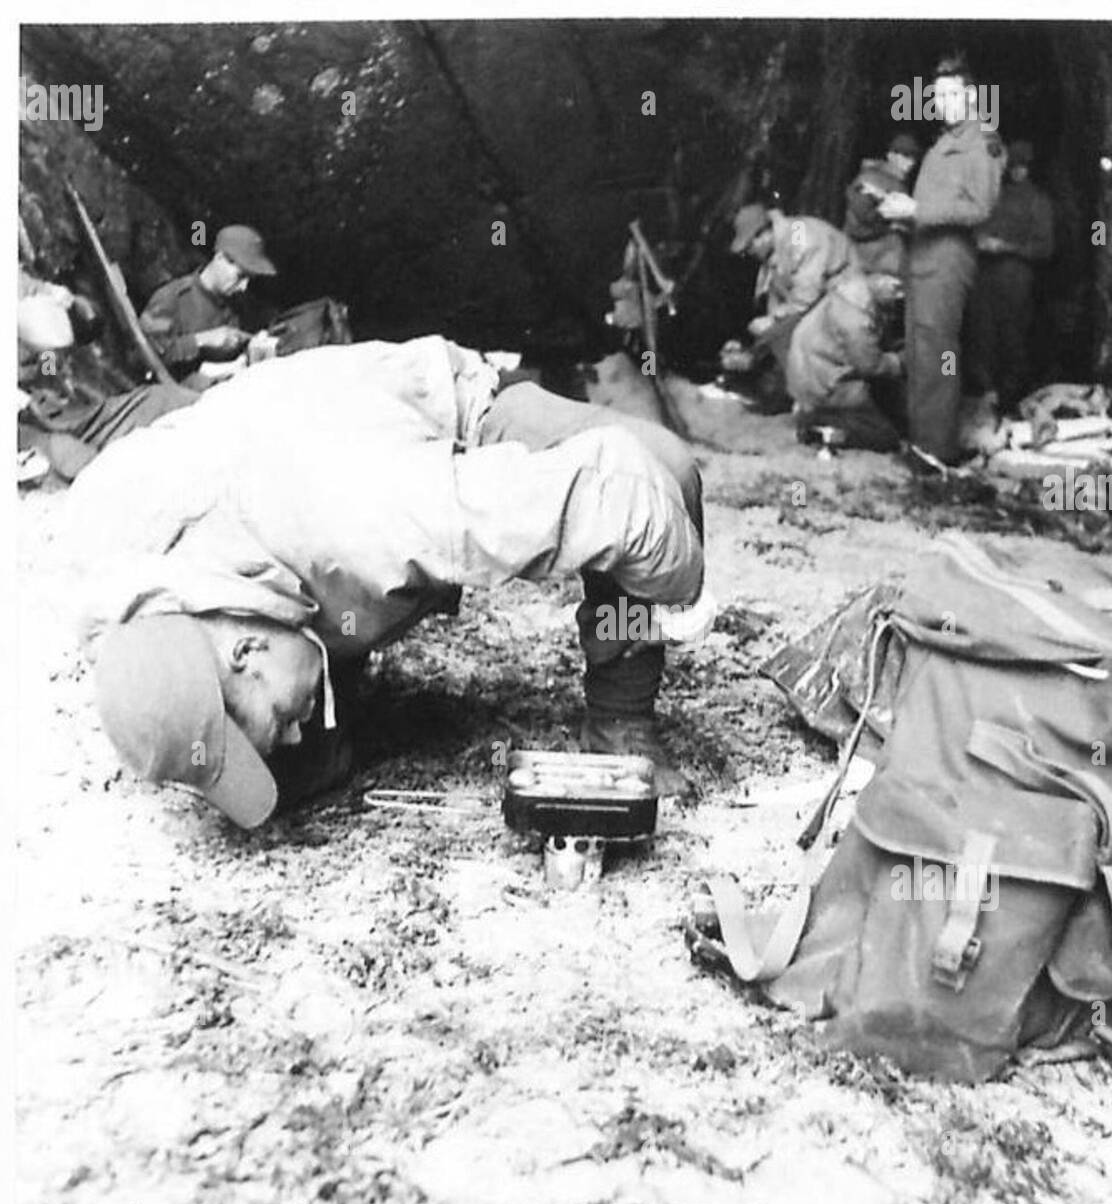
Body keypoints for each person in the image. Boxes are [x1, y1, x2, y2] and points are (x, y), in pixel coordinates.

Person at [66, 337, 709, 828]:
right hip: (280, 463)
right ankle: (324, 684)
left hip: (449, 416)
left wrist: (679, 598)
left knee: (669, 472)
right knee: (290, 776)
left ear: (246, 651)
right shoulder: (108, 564)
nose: (289, 731)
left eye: (282, 719)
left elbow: (621, 493)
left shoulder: (387, 517)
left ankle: (619, 719)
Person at [877, 55, 1004, 469]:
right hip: (924, 257)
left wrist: (916, 210)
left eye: (950, 94)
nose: (942, 103)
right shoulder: (944, 142)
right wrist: (904, 213)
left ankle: (935, 449)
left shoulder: (981, 141)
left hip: (948, 261)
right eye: (936, 96)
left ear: (971, 96)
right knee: (920, 353)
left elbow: (980, 207)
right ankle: (920, 442)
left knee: (939, 354)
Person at [18, 268, 199, 482]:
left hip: (61, 408)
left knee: (166, 399)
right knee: (77, 461)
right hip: (27, 427)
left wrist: (63, 299)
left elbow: (42, 304)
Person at [728, 203, 853, 403]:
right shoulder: (779, 247)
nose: (749, 253)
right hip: (819, 299)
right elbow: (780, 299)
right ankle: (800, 397)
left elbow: (806, 294)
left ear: (764, 233)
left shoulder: (798, 235)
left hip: (845, 297)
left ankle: (821, 402)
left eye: (750, 245)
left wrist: (771, 323)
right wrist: (757, 341)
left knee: (803, 338)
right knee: (783, 336)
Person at [969, 139, 1056, 411]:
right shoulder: (993, 196)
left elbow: (1045, 248)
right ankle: (985, 394)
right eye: (1014, 166)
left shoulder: (1039, 202)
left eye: (1023, 167)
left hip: (1016, 278)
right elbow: (971, 227)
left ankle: (1012, 402)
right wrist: (979, 241)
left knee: (1013, 338)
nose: (1018, 172)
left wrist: (1006, 247)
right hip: (983, 277)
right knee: (981, 337)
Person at [140, 224, 278, 384]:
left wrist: (255, 342)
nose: (244, 287)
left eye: (249, 279)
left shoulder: (240, 303)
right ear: (220, 259)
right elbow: (143, 357)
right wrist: (201, 340)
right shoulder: (172, 298)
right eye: (240, 276)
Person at [784, 270, 905, 453]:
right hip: (826, 384)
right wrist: (900, 361)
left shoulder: (847, 295)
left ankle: (814, 416)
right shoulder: (856, 319)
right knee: (885, 436)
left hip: (808, 375)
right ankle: (829, 428)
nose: (900, 296)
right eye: (897, 290)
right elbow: (869, 365)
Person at [842, 132, 920, 278]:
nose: (910, 163)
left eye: (912, 157)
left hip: (886, 259)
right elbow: (859, 219)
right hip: (867, 259)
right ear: (890, 155)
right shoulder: (870, 178)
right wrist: (890, 225)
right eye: (904, 156)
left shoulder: (900, 184)